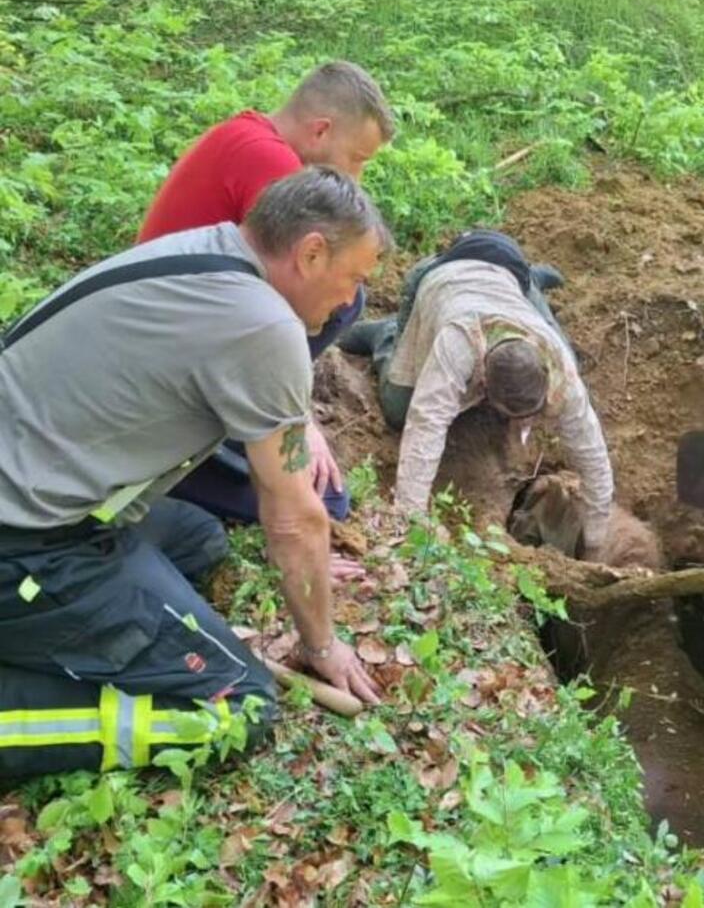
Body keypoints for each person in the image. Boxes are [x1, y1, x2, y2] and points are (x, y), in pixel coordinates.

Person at [0, 167, 389, 777]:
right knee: (239, 710)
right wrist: (321, 644)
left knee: (199, 540)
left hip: (48, 497)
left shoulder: (209, 249)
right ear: (312, 252)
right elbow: (293, 520)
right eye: (353, 279)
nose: (351, 301)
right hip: (26, 544)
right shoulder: (263, 326)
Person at [138, 61, 394, 534]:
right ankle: (184, 480)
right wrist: (295, 418)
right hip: (171, 385)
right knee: (328, 502)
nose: (356, 178)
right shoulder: (273, 166)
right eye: (357, 158)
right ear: (321, 130)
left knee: (346, 297)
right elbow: (274, 311)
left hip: (183, 346)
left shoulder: (246, 136)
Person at [339, 229, 614, 554]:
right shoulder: (458, 345)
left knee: (569, 355)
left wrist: (596, 540)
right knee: (398, 408)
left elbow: (591, 453)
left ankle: (531, 285)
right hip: (440, 279)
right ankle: (385, 335)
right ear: (484, 381)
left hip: (508, 271)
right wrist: (411, 518)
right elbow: (425, 425)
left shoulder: (558, 365)